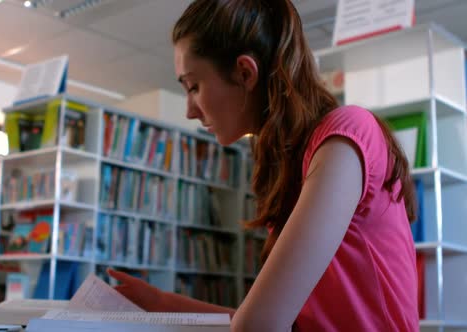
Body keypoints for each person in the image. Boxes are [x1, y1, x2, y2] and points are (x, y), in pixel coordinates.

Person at [108, 0, 419, 331]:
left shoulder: (346, 133)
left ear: (245, 73)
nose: (190, 111)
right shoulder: (291, 163)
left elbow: (259, 326)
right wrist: (160, 303)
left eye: (194, 87)